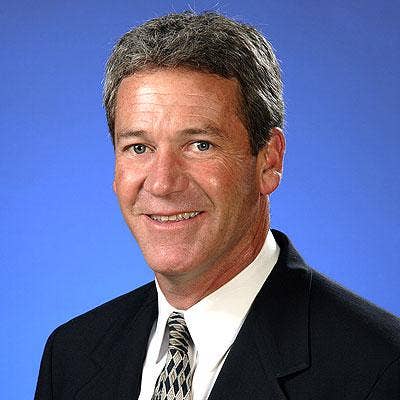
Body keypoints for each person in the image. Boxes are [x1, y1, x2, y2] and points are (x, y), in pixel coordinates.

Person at [35, 11, 400, 400]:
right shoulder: (70, 356)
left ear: (269, 161)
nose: (162, 183)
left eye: (200, 145)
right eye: (139, 147)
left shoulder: (381, 369)